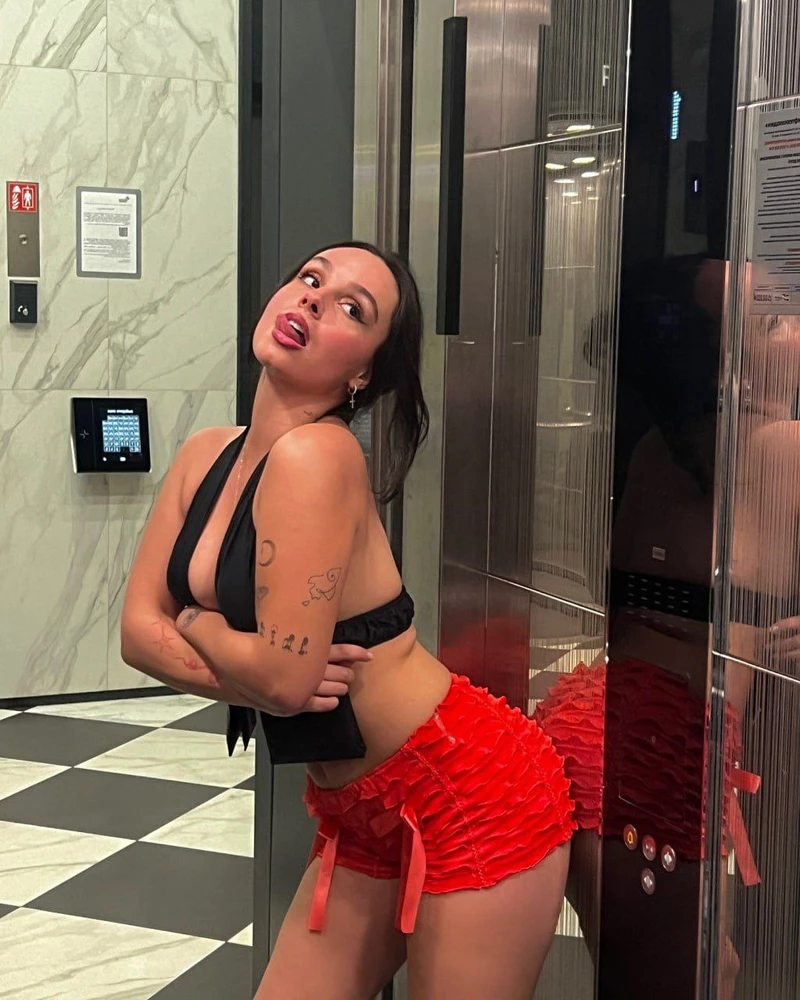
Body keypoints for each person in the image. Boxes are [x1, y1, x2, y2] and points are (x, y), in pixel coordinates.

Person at [120, 241, 574, 1000]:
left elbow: (281, 679)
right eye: (310, 279)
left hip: (468, 792)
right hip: (361, 807)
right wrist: (257, 674)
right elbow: (138, 632)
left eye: (351, 309)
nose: (312, 300)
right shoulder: (206, 454)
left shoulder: (318, 456)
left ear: (364, 371)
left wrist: (199, 626)